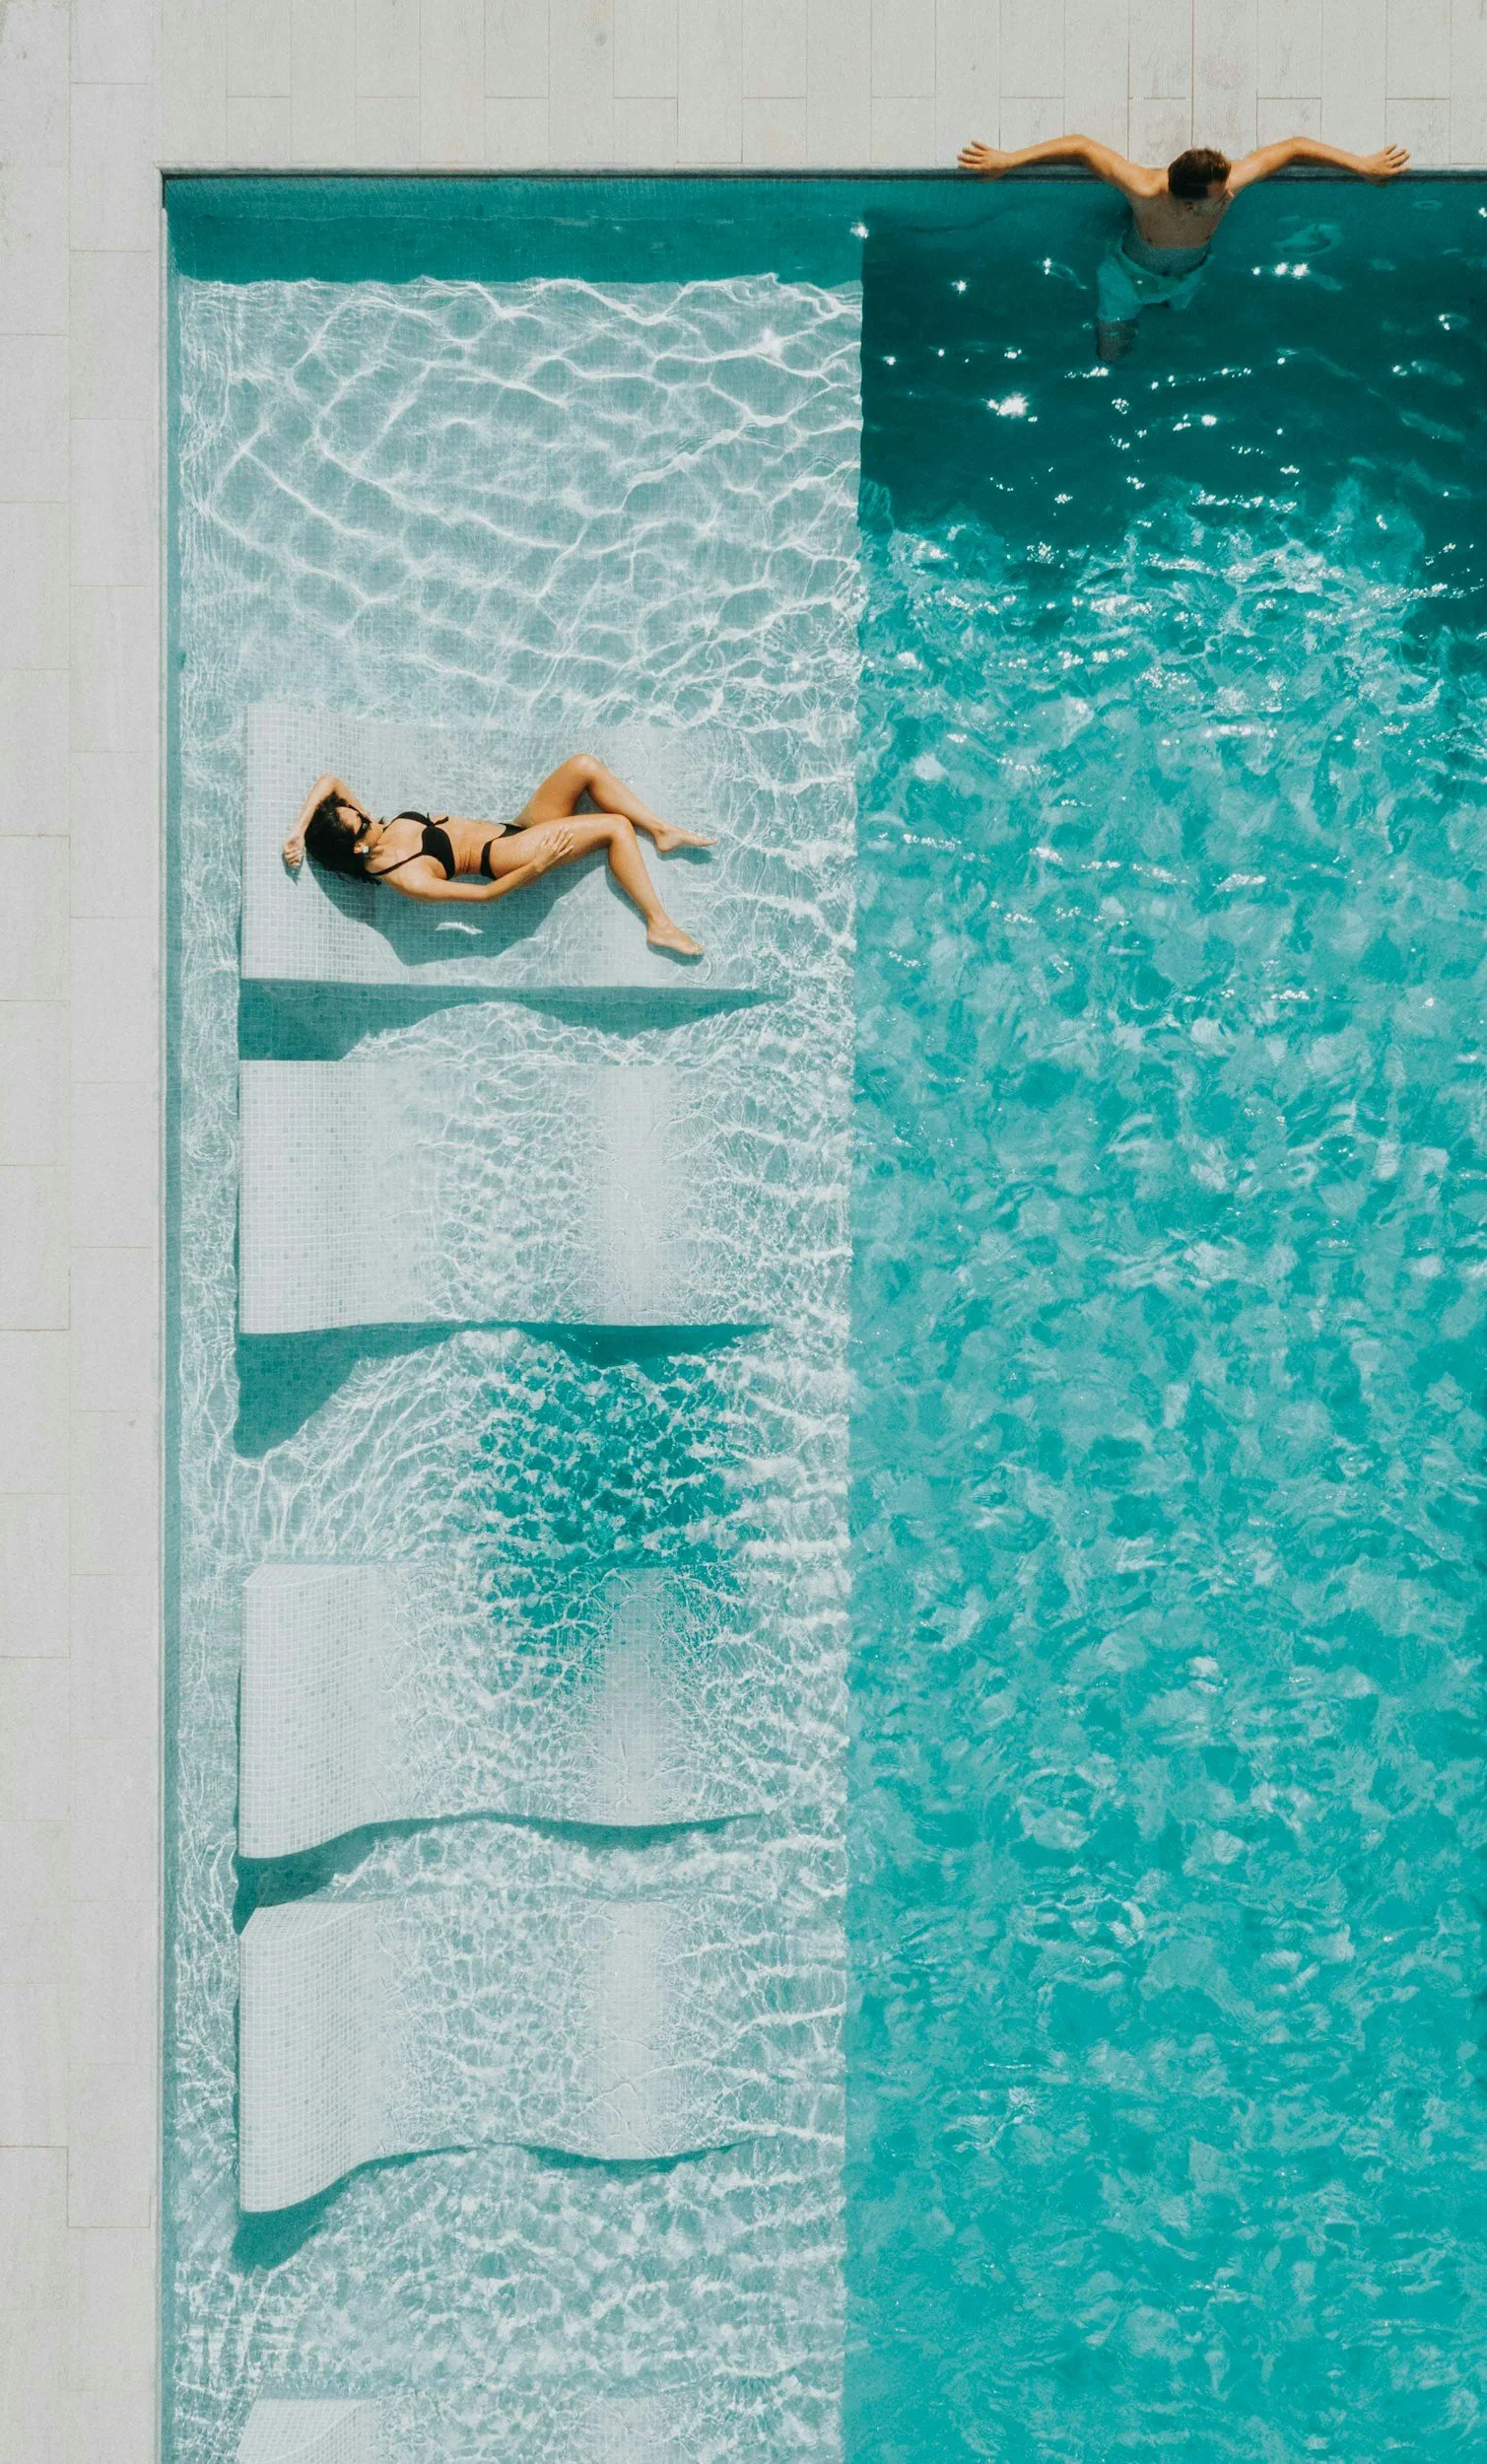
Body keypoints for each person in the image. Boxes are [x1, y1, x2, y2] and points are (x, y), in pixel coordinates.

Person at [957, 131, 1409, 362]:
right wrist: (1008, 160)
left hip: (1189, 273)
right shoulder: (1145, 191)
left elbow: (1291, 148)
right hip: (1127, 278)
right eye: (1220, 194)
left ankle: (1167, 308)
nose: (1231, 194)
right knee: (1111, 355)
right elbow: (1080, 146)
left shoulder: (1224, 186)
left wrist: (1363, 166)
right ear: (1188, 203)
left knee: (1181, 311)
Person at [283, 752, 711, 959]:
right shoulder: (404, 875)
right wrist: (536, 865)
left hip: (517, 826)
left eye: (357, 810)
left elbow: (330, 780)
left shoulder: (369, 831)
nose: (366, 813)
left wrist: (299, 832)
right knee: (615, 828)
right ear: (357, 845)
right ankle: (659, 925)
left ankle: (661, 831)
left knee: (583, 765)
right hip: (507, 855)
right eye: (360, 821)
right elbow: (484, 899)